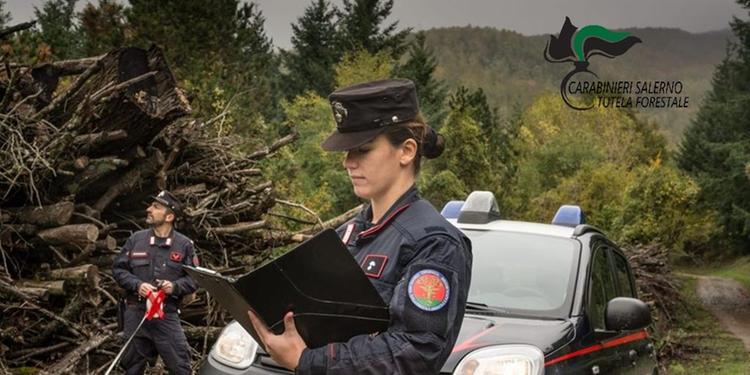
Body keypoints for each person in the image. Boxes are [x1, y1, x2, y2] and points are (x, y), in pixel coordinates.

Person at [248, 79, 473, 374]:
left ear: (406, 151)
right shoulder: (350, 233)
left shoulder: (434, 242)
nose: (348, 163)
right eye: (346, 152)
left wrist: (309, 361)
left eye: (362, 150)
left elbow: (415, 351)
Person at [113, 190, 199, 375]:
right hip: (135, 314)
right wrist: (137, 285)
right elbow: (118, 270)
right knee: (131, 368)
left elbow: (194, 279)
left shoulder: (184, 245)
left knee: (181, 367)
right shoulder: (136, 239)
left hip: (166, 316)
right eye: (151, 205)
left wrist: (174, 287)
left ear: (169, 216)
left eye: (156, 207)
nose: (148, 209)